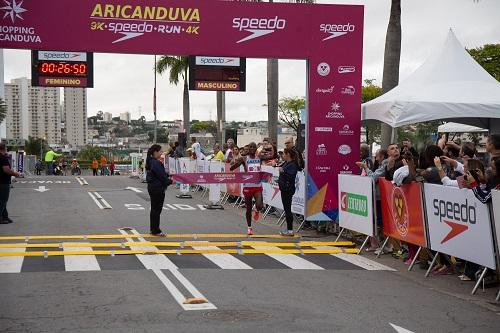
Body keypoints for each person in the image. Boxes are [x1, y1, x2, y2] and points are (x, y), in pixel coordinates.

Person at [230, 142, 264, 235]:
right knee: (248, 209)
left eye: (254, 147)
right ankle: (249, 227)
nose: (252, 148)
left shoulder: (259, 158)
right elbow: (231, 168)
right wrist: (236, 163)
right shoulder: (244, 158)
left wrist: (268, 148)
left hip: (257, 186)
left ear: (256, 148)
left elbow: (272, 156)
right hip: (247, 186)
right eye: (250, 147)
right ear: (248, 149)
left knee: (260, 205)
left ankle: (256, 210)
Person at [146, 144, 172, 236]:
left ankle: (153, 229)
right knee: (157, 209)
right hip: (157, 188)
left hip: (152, 187)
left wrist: (167, 176)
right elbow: (162, 177)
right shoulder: (156, 163)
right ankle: (156, 230)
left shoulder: (150, 161)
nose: (161, 154)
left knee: (154, 209)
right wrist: (170, 181)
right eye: (160, 151)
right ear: (155, 152)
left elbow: (158, 174)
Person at [278, 148, 300, 236]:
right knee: (286, 209)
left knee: (288, 210)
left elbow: (291, 177)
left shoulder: (293, 165)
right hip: (284, 188)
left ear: (288, 155)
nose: (282, 156)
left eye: (284, 154)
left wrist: (282, 172)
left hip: (288, 189)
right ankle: (289, 229)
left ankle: (290, 230)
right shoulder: (286, 163)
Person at [0, 143, 21, 224]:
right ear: (4, 148)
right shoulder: (3, 158)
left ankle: (5, 216)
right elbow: (6, 170)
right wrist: (16, 174)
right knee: (3, 200)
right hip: (3, 182)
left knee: (2, 201)